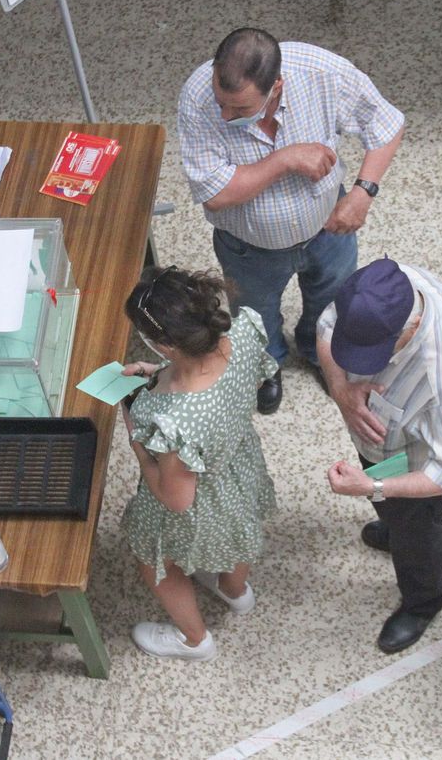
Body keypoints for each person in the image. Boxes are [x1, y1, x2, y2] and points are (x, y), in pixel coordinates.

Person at [178, 27, 406, 414]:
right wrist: (285, 159)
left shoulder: (321, 72)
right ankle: (268, 366)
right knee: (253, 314)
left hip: (327, 233)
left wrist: (362, 193)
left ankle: (320, 355)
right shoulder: (198, 99)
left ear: (277, 87)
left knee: (331, 302)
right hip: (248, 248)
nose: (224, 115)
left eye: (239, 110)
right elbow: (215, 194)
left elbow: (387, 124)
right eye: (221, 102)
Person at [318, 258, 442, 653]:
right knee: (392, 515)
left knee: (418, 534)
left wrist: (373, 485)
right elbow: (325, 328)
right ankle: (393, 526)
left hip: (416, 469)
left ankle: (424, 600)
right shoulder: (376, 291)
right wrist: (341, 392)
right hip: (379, 445)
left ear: (408, 328)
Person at [118, 266, 278, 661]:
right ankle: (235, 592)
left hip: (200, 500)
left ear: (167, 346)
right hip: (238, 467)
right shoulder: (242, 333)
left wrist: (137, 438)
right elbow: (241, 384)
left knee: (152, 558)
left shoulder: (174, 423)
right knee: (242, 531)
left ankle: (194, 640)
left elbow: (176, 499)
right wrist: (159, 376)